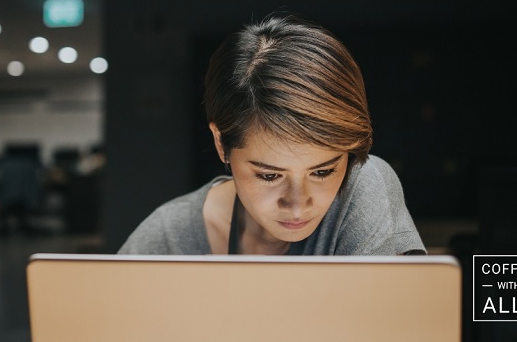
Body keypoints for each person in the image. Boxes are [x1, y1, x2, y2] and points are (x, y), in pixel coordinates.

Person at [118, 14, 426, 255]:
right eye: (269, 176)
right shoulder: (169, 237)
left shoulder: (363, 187)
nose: (297, 205)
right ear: (221, 143)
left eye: (323, 171)